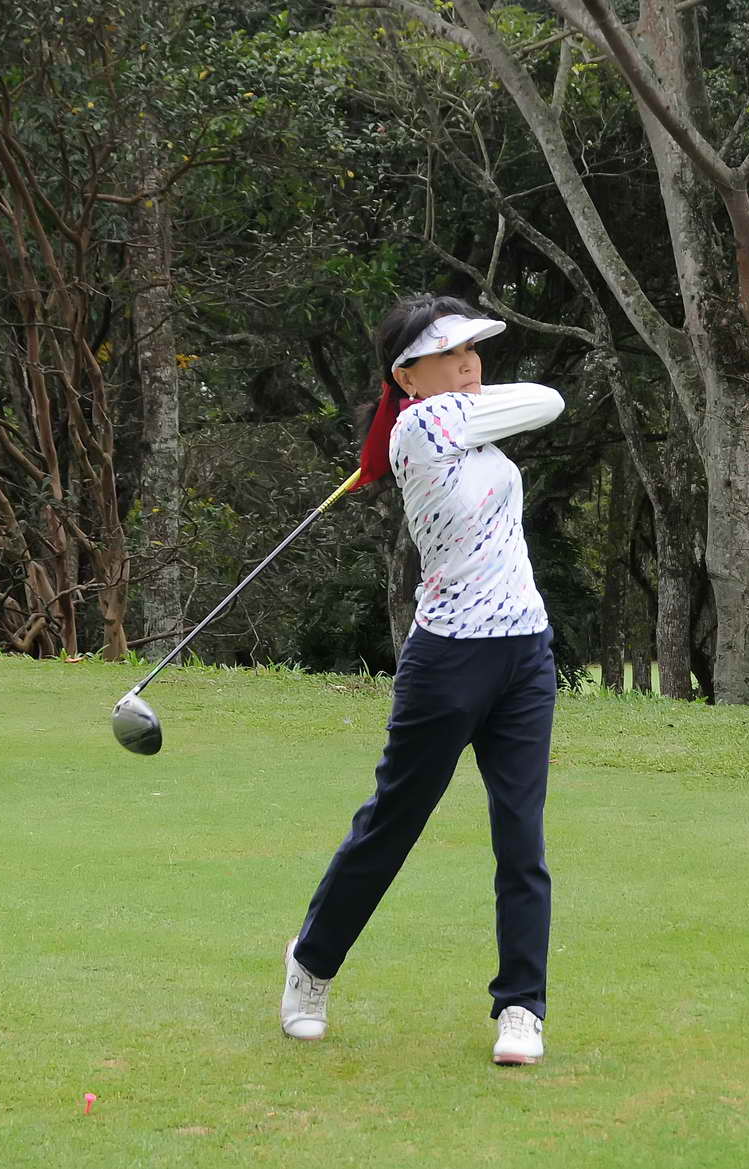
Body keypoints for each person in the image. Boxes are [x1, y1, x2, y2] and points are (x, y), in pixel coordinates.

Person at [279, 294, 564, 1066]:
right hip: (449, 659)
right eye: (450, 354)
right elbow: (548, 399)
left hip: (524, 650)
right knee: (394, 822)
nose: (469, 364)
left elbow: (536, 404)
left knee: (521, 835)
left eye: (472, 350)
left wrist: (465, 387)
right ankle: (310, 964)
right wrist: (447, 399)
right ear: (406, 376)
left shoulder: (468, 421)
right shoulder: (422, 425)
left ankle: (521, 1007)